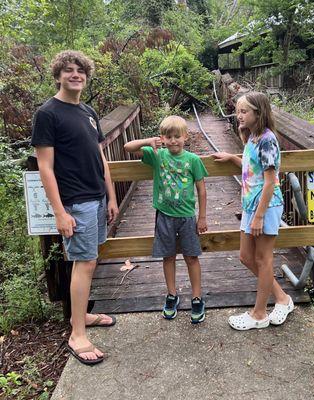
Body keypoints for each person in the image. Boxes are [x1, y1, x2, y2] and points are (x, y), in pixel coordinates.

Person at [31, 50, 119, 365]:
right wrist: (59, 212)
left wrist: (111, 196)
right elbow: (45, 167)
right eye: (68, 70)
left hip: (96, 197)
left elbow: (100, 156)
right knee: (83, 263)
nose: (75, 75)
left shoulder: (88, 111)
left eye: (80, 70)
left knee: (90, 261)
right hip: (75, 202)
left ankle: (80, 317)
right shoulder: (48, 113)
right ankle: (77, 333)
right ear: (58, 76)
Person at [212, 92, 294, 330]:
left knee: (262, 258)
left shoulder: (267, 140)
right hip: (251, 205)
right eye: (238, 111)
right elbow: (252, 169)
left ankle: (259, 314)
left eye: (244, 111)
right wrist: (232, 158)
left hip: (265, 207)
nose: (239, 115)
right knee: (246, 257)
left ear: (259, 113)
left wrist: (259, 216)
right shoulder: (253, 138)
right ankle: (282, 298)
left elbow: (270, 181)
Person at [124, 115, 208, 323]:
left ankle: (197, 297)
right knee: (168, 256)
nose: (173, 141)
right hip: (164, 215)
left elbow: (201, 189)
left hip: (187, 216)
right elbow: (128, 147)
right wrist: (147, 142)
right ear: (162, 138)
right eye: (168, 137)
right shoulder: (157, 155)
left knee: (191, 257)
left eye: (177, 136)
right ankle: (172, 295)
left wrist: (203, 217)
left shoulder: (193, 160)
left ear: (185, 137)